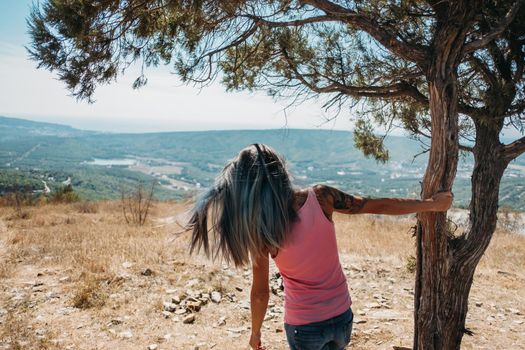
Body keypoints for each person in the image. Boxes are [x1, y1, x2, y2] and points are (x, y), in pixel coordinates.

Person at [186, 144, 453, 350]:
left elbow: (260, 294)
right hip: (342, 317)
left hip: (305, 328)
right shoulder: (322, 197)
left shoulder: (263, 231)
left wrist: (255, 332)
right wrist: (432, 204)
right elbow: (376, 204)